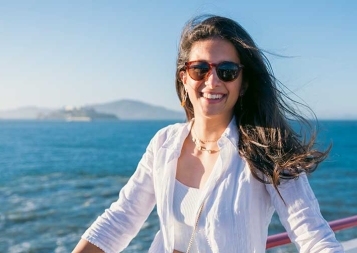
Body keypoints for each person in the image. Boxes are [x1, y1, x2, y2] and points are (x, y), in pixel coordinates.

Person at [73, 15, 344, 253]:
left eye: (227, 71)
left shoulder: (268, 152)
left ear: (243, 82)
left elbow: (314, 237)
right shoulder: (164, 143)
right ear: (184, 78)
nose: (212, 81)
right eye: (200, 69)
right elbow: (120, 219)